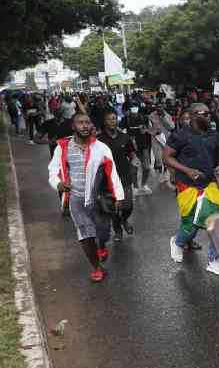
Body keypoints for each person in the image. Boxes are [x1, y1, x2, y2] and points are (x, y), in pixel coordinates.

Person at [48, 113, 125, 282]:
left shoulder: (101, 147)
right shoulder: (63, 147)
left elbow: (112, 172)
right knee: (85, 234)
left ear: (91, 126)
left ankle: (102, 245)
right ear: (73, 127)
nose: (84, 126)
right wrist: (59, 184)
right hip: (76, 199)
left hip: (98, 199)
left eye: (87, 123)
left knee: (103, 233)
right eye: (80, 123)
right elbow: (53, 170)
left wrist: (119, 196)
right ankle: (97, 267)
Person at [165, 103, 219, 275]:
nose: (208, 117)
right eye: (204, 114)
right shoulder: (180, 135)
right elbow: (167, 157)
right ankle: (177, 242)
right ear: (192, 115)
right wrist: (187, 171)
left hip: (210, 184)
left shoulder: (214, 134)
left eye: (209, 114)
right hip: (187, 186)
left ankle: (213, 260)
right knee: (191, 226)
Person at [97, 111, 136, 241]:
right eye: (109, 119)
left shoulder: (125, 137)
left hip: (124, 176)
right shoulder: (99, 140)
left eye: (114, 119)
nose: (112, 121)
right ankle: (117, 230)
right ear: (105, 122)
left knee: (128, 205)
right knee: (113, 207)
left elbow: (131, 154)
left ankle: (125, 220)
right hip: (108, 179)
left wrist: (132, 166)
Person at [122, 103, 153, 195]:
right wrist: (127, 137)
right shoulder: (125, 119)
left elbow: (150, 129)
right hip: (132, 147)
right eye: (132, 108)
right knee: (133, 168)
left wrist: (146, 130)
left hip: (144, 146)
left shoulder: (144, 118)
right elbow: (119, 129)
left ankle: (144, 184)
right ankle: (135, 187)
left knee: (147, 167)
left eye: (135, 108)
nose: (134, 110)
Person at [149, 104, 176, 186]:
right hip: (156, 139)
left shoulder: (167, 115)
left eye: (161, 107)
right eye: (158, 107)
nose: (159, 109)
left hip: (166, 140)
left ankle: (165, 173)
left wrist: (163, 118)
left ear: (163, 108)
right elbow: (149, 127)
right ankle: (160, 172)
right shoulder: (151, 116)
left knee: (166, 158)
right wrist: (154, 132)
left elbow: (171, 127)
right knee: (158, 157)